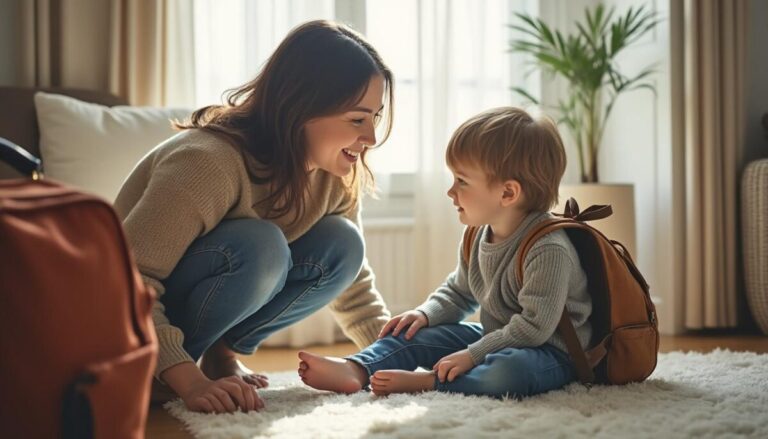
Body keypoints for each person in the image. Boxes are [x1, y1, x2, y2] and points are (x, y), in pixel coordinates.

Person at [114, 20, 395, 413]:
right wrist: (187, 379)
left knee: (344, 242)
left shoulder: (334, 174)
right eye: (357, 119)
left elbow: (354, 284)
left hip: (183, 311)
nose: (371, 138)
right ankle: (159, 374)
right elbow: (125, 282)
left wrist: (392, 356)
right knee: (261, 246)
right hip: (120, 332)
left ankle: (221, 355)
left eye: (375, 118)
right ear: (302, 108)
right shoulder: (206, 162)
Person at [298, 106, 592, 399]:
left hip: (550, 353)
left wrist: (472, 355)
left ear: (507, 193)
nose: (451, 192)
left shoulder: (548, 249)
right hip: (496, 338)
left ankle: (432, 382)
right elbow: (459, 293)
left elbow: (533, 329)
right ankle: (359, 367)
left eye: (462, 181)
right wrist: (424, 314)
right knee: (413, 333)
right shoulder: (477, 233)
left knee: (511, 372)